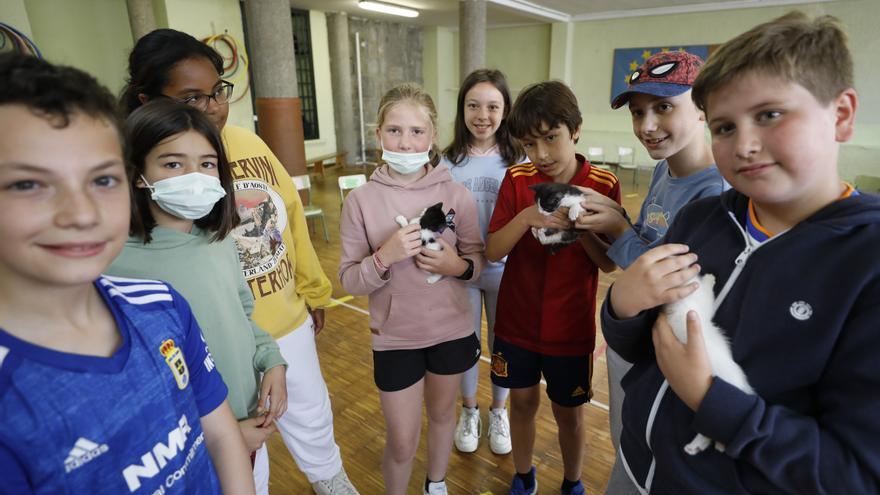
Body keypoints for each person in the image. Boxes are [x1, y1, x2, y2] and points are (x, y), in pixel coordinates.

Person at [601, 12, 880, 493]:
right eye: (726, 127)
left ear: (841, 115)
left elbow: (853, 473)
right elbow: (645, 347)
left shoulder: (866, 261)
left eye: (770, 115)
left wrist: (712, 400)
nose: (745, 145)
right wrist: (622, 307)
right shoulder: (702, 219)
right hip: (632, 465)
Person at [0, 53, 254, 494]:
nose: (81, 213)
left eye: (102, 180)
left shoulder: (161, 305)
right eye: (28, 184)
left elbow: (219, 433)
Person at [120, 28, 357, 495]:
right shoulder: (138, 196)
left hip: (278, 324)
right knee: (244, 451)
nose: (210, 107)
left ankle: (331, 479)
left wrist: (314, 290)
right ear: (150, 101)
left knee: (309, 415)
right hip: (207, 348)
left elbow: (289, 219)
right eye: (192, 96)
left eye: (216, 92)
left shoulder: (248, 144)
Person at [107, 99, 288, 491]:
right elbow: (136, 388)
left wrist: (271, 359)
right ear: (138, 173)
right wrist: (221, 437)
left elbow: (241, 313)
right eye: (173, 164)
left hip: (250, 428)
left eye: (207, 164)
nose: (195, 175)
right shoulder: (114, 265)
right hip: (191, 453)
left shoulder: (218, 240)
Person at [572, 51, 727, 492]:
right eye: (638, 112)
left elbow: (667, 283)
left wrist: (617, 228)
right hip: (634, 335)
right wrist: (602, 221)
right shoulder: (664, 170)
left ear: (702, 109)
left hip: (670, 350)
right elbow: (640, 244)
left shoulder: (715, 191)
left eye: (663, 108)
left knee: (656, 442)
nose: (646, 126)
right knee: (628, 435)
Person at [338, 83, 485, 495]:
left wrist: (456, 265)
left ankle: (435, 484)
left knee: (442, 418)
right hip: (396, 338)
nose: (405, 143)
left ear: (433, 135)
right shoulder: (361, 201)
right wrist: (383, 256)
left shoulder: (457, 195)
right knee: (402, 440)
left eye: (416, 131)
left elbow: (477, 265)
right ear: (378, 134)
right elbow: (349, 279)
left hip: (452, 331)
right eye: (394, 131)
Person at [485, 81, 620, 495]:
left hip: (571, 327)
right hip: (516, 322)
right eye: (530, 143)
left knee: (569, 413)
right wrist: (527, 217)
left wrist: (582, 232)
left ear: (575, 130)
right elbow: (492, 251)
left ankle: (573, 482)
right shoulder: (517, 178)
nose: (541, 154)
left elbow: (610, 262)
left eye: (550, 138)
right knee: (522, 403)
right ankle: (523, 475)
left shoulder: (602, 182)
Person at [441, 68, 523, 456]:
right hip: (462, 272)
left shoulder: (518, 159)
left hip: (507, 272)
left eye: (492, 106)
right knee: (467, 346)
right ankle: (470, 411)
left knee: (503, 345)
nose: (482, 114)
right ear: (462, 110)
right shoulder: (446, 161)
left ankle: (499, 411)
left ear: (505, 111)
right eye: (473, 105)